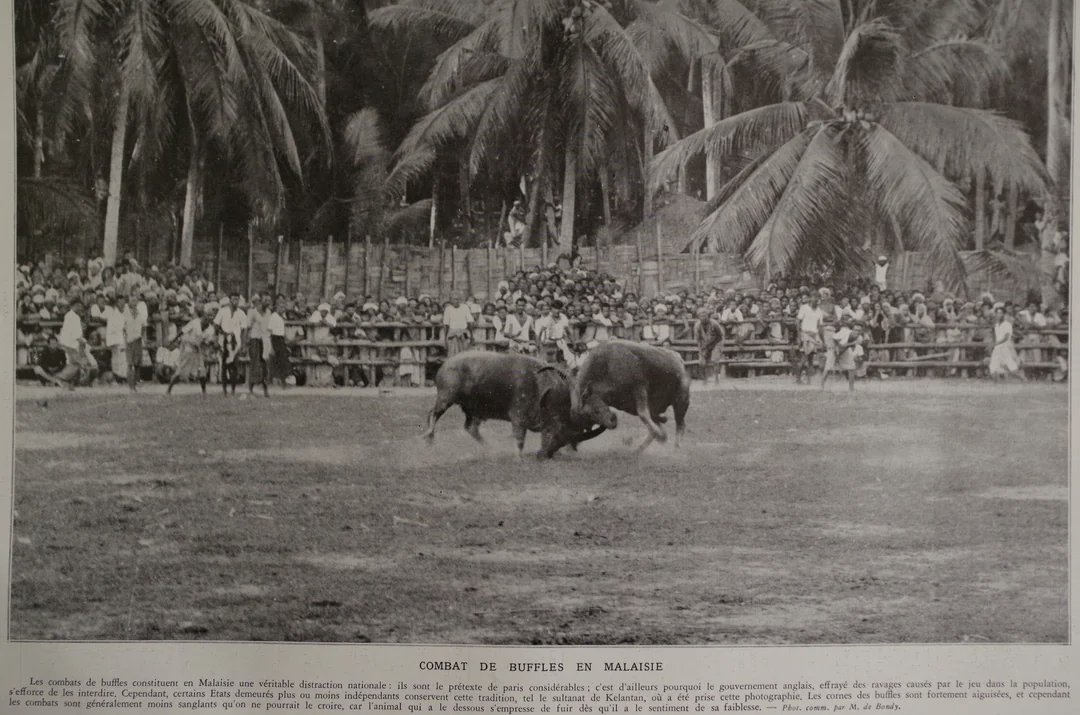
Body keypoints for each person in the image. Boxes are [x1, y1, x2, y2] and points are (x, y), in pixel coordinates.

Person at [167, 308, 217, 395]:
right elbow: (183, 331)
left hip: (198, 349)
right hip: (188, 347)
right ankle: (169, 389)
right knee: (180, 370)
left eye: (212, 316)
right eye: (208, 315)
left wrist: (211, 343)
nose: (209, 318)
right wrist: (173, 340)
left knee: (202, 371)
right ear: (204, 315)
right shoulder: (195, 322)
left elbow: (207, 342)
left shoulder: (210, 329)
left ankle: (204, 391)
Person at [54, 298, 97, 389]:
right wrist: (84, 342)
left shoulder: (70, 315)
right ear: (75, 306)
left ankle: (65, 380)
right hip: (70, 345)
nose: (80, 308)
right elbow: (76, 336)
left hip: (69, 344)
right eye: (79, 306)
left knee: (74, 364)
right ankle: (61, 378)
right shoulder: (73, 317)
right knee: (83, 363)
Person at [214, 293, 247, 394]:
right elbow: (216, 325)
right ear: (229, 300)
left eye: (237, 300)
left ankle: (233, 389)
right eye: (233, 299)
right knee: (224, 365)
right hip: (223, 341)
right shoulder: (222, 311)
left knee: (234, 366)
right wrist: (216, 339)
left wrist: (243, 345)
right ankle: (224, 389)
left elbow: (244, 330)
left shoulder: (241, 313)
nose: (235, 302)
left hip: (235, 342)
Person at [988, 306, 1025, 381]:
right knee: (992, 368)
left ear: (1004, 314)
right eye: (997, 313)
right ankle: (997, 384)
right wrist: (993, 344)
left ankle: (1023, 379)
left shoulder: (1007, 325)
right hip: (997, 348)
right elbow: (996, 337)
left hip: (1005, 347)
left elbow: (1006, 337)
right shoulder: (996, 325)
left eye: (1000, 313)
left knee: (1012, 367)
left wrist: (995, 344)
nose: (999, 315)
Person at [794, 294, 823, 384]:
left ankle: (809, 380)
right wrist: (799, 336)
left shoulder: (819, 310)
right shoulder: (804, 308)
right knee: (804, 358)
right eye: (814, 298)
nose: (816, 300)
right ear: (810, 298)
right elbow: (798, 321)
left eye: (817, 298)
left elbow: (819, 325)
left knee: (811, 359)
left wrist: (818, 337)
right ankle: (798, 379)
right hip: (805, 335)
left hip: (814, 335)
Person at [246, 297, 271, 397]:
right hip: (254, 339)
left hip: (264, 340)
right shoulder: (252, 312)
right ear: (260, 301)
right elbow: (248, 326)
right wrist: (246, 341)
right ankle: (251, 388)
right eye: (265, 300)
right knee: (255, 363)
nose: (267, 302)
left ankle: (265, 389)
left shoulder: (269, 312)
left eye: (269, 300)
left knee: (265, 364)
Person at [268, 296, 291, 389]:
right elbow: (270, 331)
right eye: (280, 307)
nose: (282, 309)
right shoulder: (273, 316)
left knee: (283, 360)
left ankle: (283, 381)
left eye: (283, 307)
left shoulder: (281, 317)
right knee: (277, 360)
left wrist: (286, 339)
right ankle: (276, 381)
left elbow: (282, 330)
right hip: (275, 339)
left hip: (281, 339)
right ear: (276, 307)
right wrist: (271, 346)